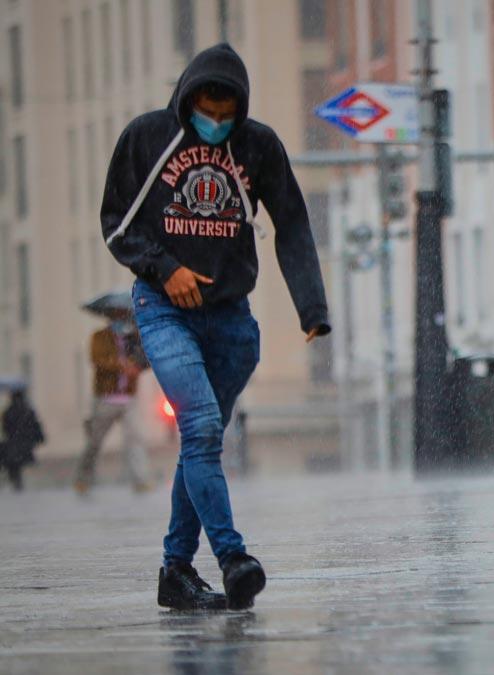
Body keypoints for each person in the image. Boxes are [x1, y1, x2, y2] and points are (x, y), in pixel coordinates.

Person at [101, 44, 331, 610]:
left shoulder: (258, 146)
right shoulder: (147, 138)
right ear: (187, 98)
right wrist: (165, 269)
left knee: (198, 445)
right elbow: (116, 223)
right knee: (201, 428)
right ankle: (233, 558)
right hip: (164, 310)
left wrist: (312, 307)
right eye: (207, 108)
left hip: (231, 322)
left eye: (228, 113)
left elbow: (293, 222)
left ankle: (175, 571)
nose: (217, 121)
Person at [74, 319, 152, 495]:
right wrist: (120, 365)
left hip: (128, 398)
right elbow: (97, 359)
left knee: (135, 440)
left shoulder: (135, 337)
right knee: (94, 442)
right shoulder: (99, 337)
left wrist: (136, 367)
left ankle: (141, 480)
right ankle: (83, 479)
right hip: (105, 398)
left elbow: (145, 359)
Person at [1, 390, 45, 491]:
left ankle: (16, 484)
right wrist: (39, 438)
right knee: (18, 465)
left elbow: (5, 429)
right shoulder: (28, 411)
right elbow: (35, 426)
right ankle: (19, 485)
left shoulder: (8, 412)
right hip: (25, 444)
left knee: (13, 466)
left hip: (12, 445)